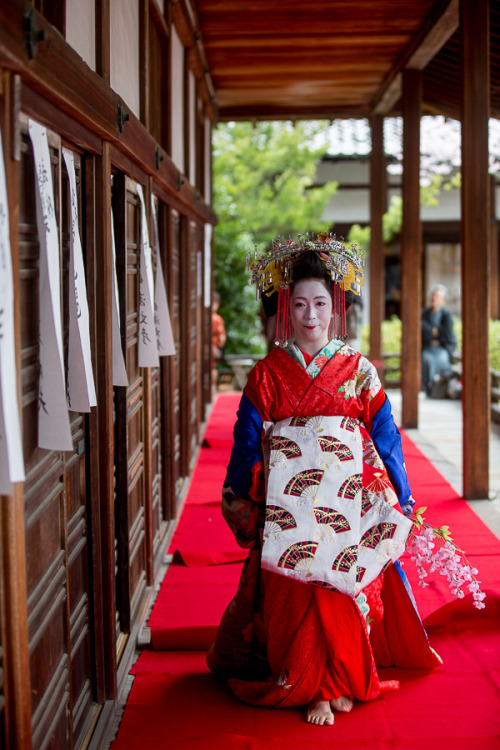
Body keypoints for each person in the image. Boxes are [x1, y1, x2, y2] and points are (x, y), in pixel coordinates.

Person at [207, 234, 441, 727]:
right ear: (284, 310)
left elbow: (385, 435)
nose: (311, 316)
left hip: (348, 504)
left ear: (336, 308)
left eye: (320, 303)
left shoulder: (359, 371)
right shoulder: (267, 374)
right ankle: (310, 684)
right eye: (299, 304)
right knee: (295, 587)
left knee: (342, 587)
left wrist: (401, 493)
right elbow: (246, 442)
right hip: (290, 507)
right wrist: (259, 483)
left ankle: (336, 681)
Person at [421, 284, 457, 397]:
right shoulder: (425, 313)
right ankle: (428, 389)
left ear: (443, 300)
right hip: (428, 347)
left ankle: (441, 390)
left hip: (442, 347)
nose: (434, 298)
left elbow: (447, 332)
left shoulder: (446, 314)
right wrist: (434, 330)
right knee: (426, 359)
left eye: (437, 296)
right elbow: (422, 328)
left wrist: (434, 331)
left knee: (443, 360)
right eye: (433, 295)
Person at [212, 291, 227, 387]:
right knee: (212, 369)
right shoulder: (217, 319)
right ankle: (212, 387)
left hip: (212, 345)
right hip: (214, 345)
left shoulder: (216, 318)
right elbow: (222, 336)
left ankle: (212, 387)